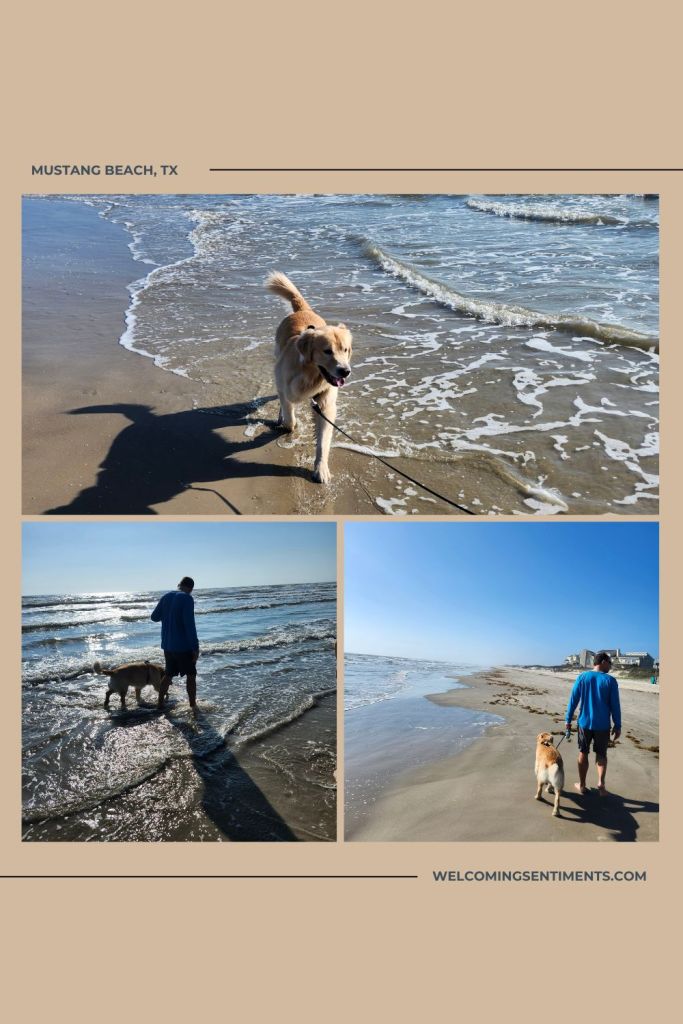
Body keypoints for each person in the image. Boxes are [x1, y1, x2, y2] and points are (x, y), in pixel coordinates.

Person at [565, 651, 621, 796]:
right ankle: (601, 785)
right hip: (603, 725)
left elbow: (573, 700)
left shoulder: (583, 677)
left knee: (583, 752)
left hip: (585, 723)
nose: (611, 666)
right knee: (601, 754)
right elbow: (615, 705)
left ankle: (582, 785)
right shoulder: (610, 681)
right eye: (610, 662)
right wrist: (618, 725)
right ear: (602, 662)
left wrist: (568, 720)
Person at [151, 576, 199, 709]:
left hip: (167, 645)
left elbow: (154, 617)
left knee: (168, 674)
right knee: (191, 675)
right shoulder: (187, 598)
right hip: (183, 647)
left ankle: (160, 703)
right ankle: (193, 705)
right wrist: (195, 647)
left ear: (179, 585)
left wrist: (169, 615)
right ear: (191, 588)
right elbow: (189, 625)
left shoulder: (166, 596)